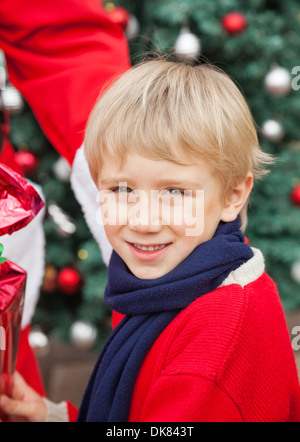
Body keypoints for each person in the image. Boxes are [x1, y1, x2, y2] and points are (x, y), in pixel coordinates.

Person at [1, 59, 300, 422]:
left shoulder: (213, 350)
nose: (143, 220)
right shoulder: (178, 284)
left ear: (232, 196)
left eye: (174, 192)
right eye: (121, 189)